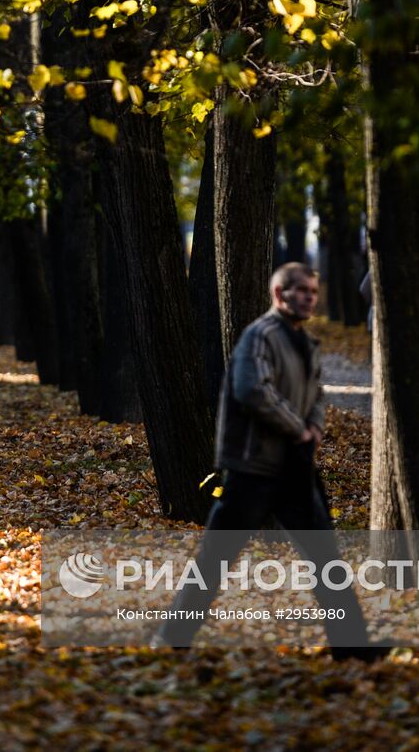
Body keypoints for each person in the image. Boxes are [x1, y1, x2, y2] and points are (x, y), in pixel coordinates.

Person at [153, 263, 384, 660]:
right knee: (216, 557)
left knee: (326, 560)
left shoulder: (306, 343)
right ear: (280, 295)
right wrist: (298, 427)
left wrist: (313, 427)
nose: (309, 297)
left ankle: (351, 646)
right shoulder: (258, 337)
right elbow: (251, 390)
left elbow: (316, 397)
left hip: (294, 470)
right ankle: (173, 636)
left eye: (313, 291)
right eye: (301, 291)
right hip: (253, 469)